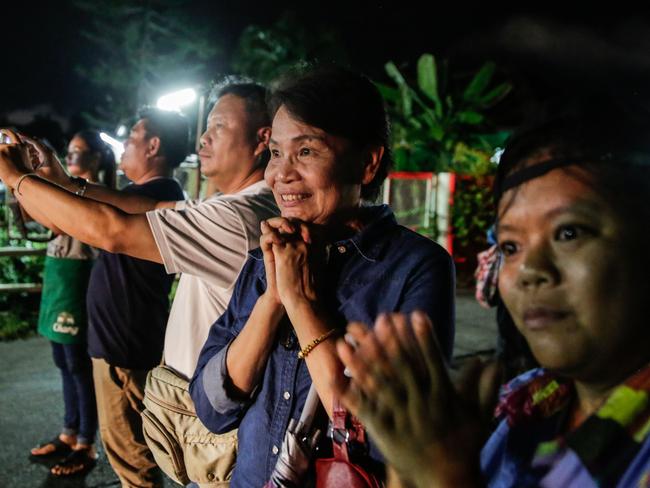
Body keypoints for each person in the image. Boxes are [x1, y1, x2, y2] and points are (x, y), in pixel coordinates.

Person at [334, 100, 650, 488]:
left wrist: (443, 475)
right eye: (511, 247)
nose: (530, 272)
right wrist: (410, 455)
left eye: (569, 233)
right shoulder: (524, 401)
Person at [189, 66, 456, 487]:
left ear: (367, 163)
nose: (281, 174)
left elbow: (393, 440)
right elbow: (212, 408)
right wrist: (273, 300)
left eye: (307, 151)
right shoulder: (266, 258)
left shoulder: (415, 268)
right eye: (276, 153)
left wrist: (300, 302)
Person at [0, 81, 278, 381]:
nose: (204, 138)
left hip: (193, 397)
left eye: (219, 126)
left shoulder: (237, 216)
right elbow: (148, 206)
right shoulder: (231, 204)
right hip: (187, 386)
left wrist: (16, 177)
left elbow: (113, 229)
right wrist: (67, 184)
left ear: (263, 139)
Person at [0, 107, 187, 486]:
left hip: (125, 348)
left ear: (153, 146)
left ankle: (86, 445)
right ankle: (78, 436)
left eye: (132, 138)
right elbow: (59, 219)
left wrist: (20, 178)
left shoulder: (160, 194)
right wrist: (36, 179)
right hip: (119, 343)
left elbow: (98, 223)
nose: (124, 146)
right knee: (128, 452)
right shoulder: (139, 194)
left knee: (133, 458)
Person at [29, 130, 115, 476]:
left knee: (79, 365)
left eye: (80, 152)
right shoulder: (63, 187)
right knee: (63, 361)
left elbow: (59, 222)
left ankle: (85, 442)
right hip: (59, 278)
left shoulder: (94, 194)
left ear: (96, 157)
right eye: (70, 152)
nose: (73, 157)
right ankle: (68, 432)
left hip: (81, 277)